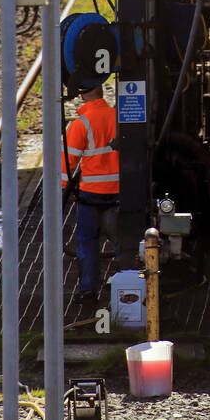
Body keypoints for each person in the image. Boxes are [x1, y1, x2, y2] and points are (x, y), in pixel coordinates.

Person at [61, 81, 119, 300]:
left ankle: (88, 289)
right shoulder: (118, 117)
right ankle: (130, 285)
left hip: (91, 195)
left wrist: (62, 192)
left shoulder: (80, 124)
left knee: (87, 241)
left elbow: (66, 162)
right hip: (119, 191)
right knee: (124, 241)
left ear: (82, 96)